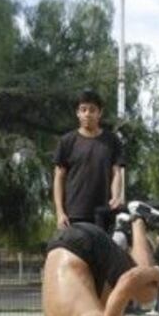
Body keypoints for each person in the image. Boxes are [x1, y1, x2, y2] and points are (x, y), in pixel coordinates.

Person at [53, 89, 125, 233]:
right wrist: (60, 212)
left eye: (92, 110)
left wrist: (116, 197)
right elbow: (59, 178)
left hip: (104, 213)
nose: (87, 114)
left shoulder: (112, 141)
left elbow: (117, 173)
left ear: (100, 113)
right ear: (77, 113)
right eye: (83, 109)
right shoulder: (67, 141)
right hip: (73, 215)